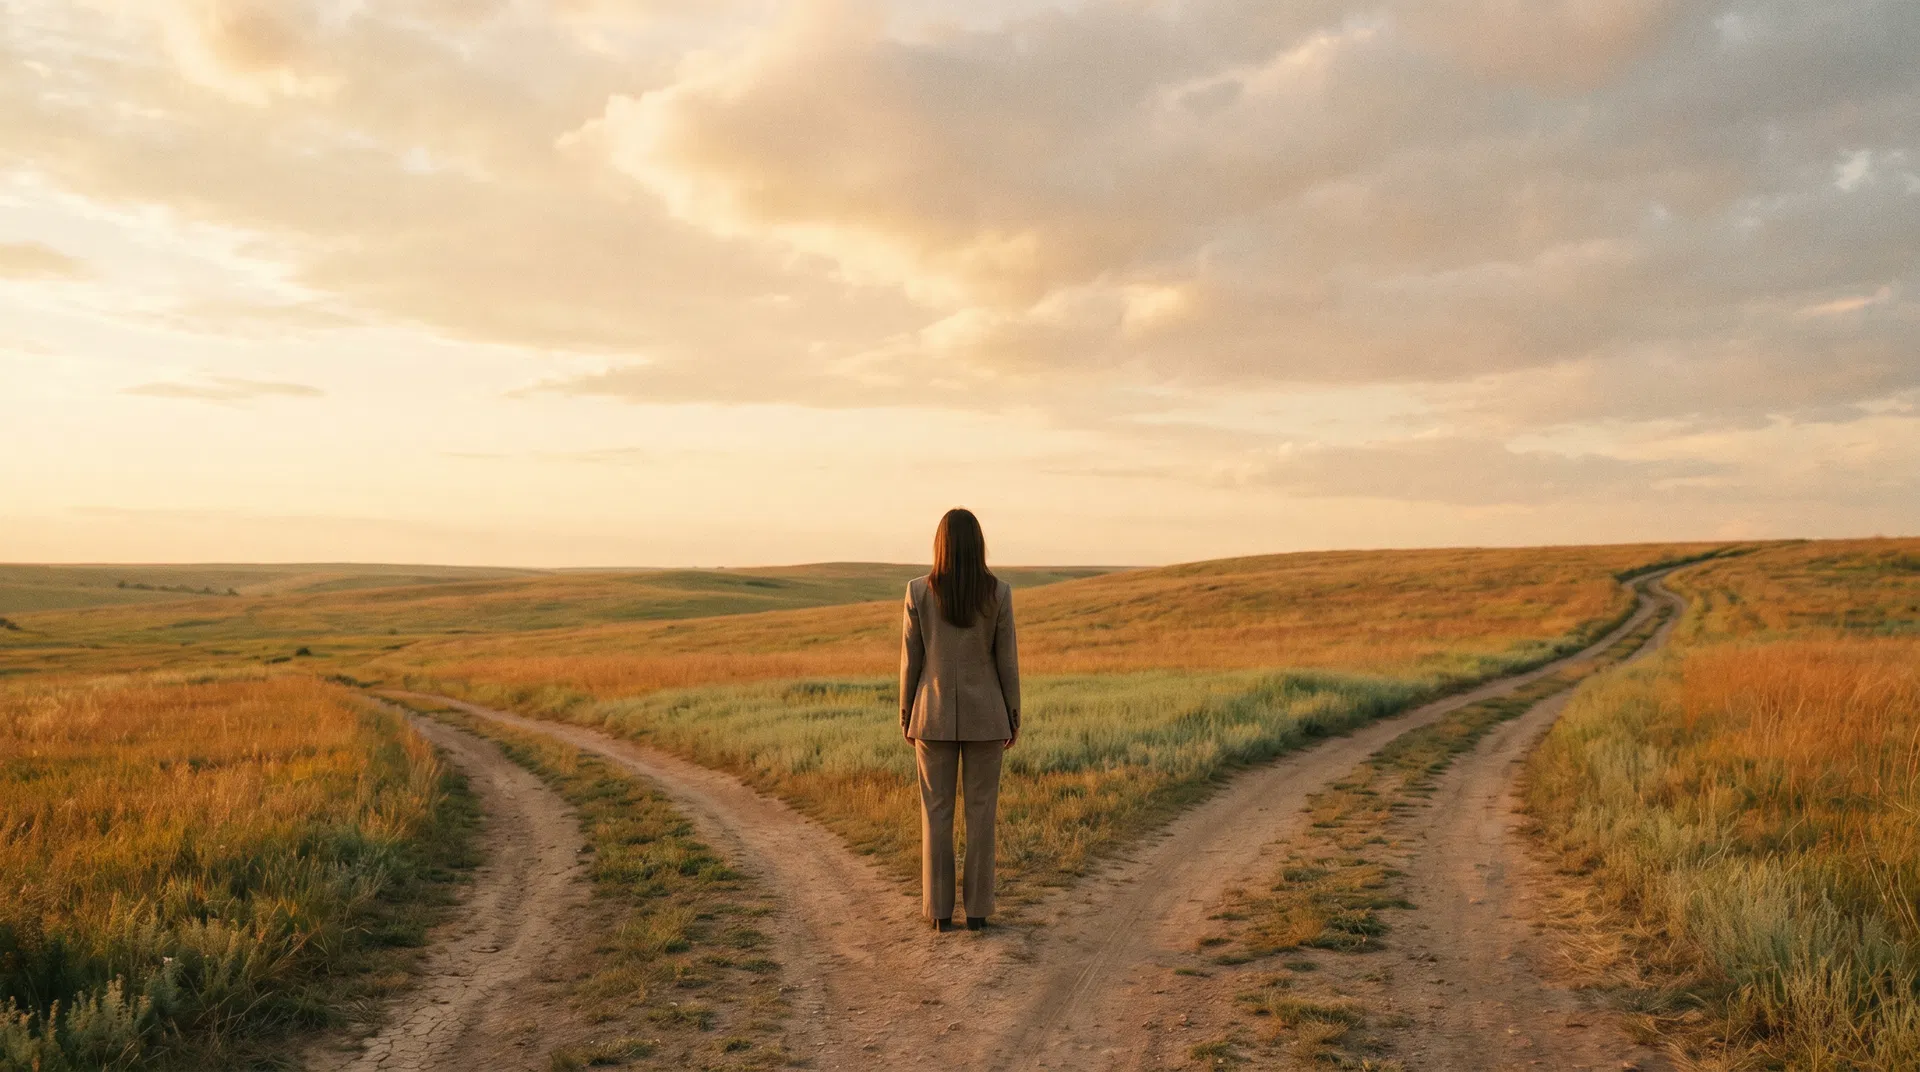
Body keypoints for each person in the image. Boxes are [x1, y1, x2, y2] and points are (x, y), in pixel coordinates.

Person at [899, 507, 1020, 933]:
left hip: (930, 717)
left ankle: (938, 913)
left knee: (936, 815)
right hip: (987, 717)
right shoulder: (999, 592)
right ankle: (979, 913)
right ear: (979, 544)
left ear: (940, 544)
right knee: (982, 816)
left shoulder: (917, 592)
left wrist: (905, 711)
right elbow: (1006, 661)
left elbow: (911, 661)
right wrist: (1012, 714)